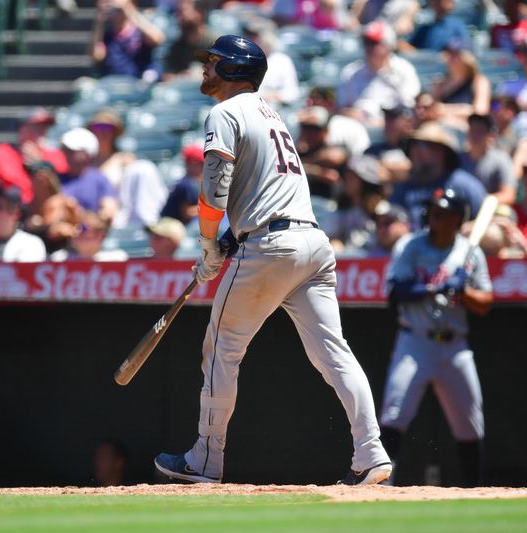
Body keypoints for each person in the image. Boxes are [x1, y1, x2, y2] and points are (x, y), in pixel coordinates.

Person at [153, 35, 393, 486]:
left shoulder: (225, 111)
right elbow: (260, 190)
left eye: (214, 61)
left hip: (271, 246)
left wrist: (207, 245)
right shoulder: (271, 114)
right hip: (311, 242)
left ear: (234, 69)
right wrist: (227, 238)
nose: (206, 67)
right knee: (333, 354)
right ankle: (371, 452)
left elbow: (215, 185)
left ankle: (206, 458)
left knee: (221, 348)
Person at [380, 188, 493, 487]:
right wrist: (436, 288)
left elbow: (486, 303)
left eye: (442, 213)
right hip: (415, 341)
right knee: (394, 414)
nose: (434, 218)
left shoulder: (470, 252)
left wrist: (463, 291)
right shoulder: (410, 246)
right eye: (432, 212)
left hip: (455, 345)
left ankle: (475, 491)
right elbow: (395, 292)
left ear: (457, 219)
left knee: (470, 424)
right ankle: (382, 488)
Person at [390, 122, 487, 229]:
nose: (416, 150)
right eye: (413, 145)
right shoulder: (403, 187)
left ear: (441, 151)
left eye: (423, 145)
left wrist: (463, 229)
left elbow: (486, 218)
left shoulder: (463, 184)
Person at [88, 109, 167, 229]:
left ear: (115, 133)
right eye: (98, 127)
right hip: (93, 216)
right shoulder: (85, 164)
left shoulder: (125, 160)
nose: (102, 132)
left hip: (121, 217)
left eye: (107, 127)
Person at [0, 107, 68, 205]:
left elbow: (65, 188)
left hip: (45, 213)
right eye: (37, 127)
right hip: (8, 213)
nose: (42, 131)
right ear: (22, 129)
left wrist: (40, 165)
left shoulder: (55, 156)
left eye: (44, 127)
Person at [336, 20, 420, 126]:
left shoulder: (404, 70)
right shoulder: (351, 71)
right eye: (366, 42)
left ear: (388, 45)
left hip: (390, 127)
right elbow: (341, 108)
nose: (368, 48)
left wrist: (384, 122)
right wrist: (351, 115)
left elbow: (409, 108)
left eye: (373, 43)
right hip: (357, 128)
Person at [90, 0, 164, 81]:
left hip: (139, 84)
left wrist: (127, 8)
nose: (117, 13)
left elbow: (158, 40)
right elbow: (97, 56)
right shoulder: (107, 35)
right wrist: (99, 18)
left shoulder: (140, 31)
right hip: (112, 84)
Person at [329, 155, 388, 254]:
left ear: (366, 181)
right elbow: (333, 239)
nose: (346, 180)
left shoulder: (384, 209)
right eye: (346, 176)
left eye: (352, 177)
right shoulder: (342, 211)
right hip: (352, 262)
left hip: (379, 260)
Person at [430, 40, 491, 130]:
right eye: (449, 53)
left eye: (456, 54)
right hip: (440, 128)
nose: (451, 57)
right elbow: (433, 110)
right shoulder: (439, 83)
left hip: (466, 130)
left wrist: (445, 110)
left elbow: (479, 112)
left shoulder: (479, 81)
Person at [59, 127, 117, 222]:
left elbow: (108, 210)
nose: (67, 153)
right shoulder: (57, 178)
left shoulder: (100, 180)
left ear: (87, 154)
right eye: (66, 150)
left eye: (72, 151)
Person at [460, 113, 516, 205]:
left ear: (491, 136)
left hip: (487, 209)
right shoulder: (458, 158)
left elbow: (509, 195)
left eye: (480, 131)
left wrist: (482, 200)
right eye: (472, 130)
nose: (475, 135)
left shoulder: (501, 160)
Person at [296, 106, 349, 199]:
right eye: (305, 127)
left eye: (314, 129)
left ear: (325, 130)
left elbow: (334, 158)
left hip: (331, 204)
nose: (309, 133)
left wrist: (303, 164)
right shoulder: (299, 151)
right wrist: (318, 173)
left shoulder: (332, 145)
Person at [244, 19, 299, 107]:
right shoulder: (243, 60)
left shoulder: (282, 60)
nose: (250, 40)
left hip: (274, 111)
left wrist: (272, 96)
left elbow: (292, 93)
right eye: (249, 36)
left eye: (255, 36)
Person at [161, 0, 214, 80]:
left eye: (183, 12)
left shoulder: (215, 43)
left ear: (199, 14)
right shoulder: (176, 47)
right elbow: (168, 76)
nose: (179, 18)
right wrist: (183, 76)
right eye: (178, 13)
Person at [51, 211, 126, 261]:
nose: (77, 230)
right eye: (75, 226)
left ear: (100, 236)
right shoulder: (59, 259)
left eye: (84, 228)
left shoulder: (116, 259)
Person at [399, 0, 469, 52]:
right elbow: (410, 46)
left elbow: (464, 50)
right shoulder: (424, 28)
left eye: (441, 1)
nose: (439, 4)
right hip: (424, 68)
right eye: (436, 1)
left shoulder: (456, 26)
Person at [161, 142, 203, 225]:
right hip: (171, 229)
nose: (203, 167)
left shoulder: (191, 182)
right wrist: (212, 207)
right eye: (200, 164)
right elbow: (187, 213)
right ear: (189, 164)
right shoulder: (186, 184)